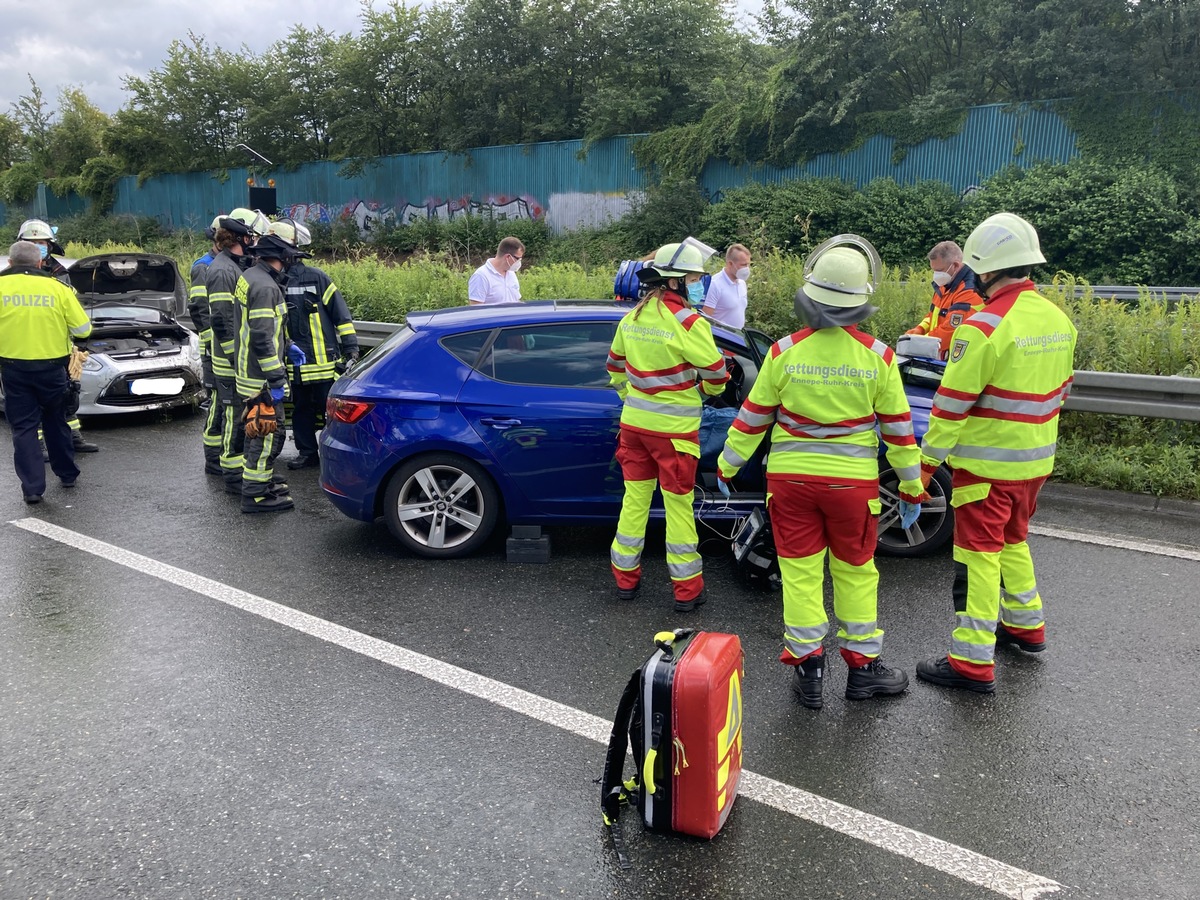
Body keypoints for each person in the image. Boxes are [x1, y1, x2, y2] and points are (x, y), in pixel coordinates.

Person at [717, 236, 922, 710]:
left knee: (800, 574)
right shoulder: (880, 357)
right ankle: (863, 671)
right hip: (852, 487)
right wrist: (911, 485)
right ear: (860, 300)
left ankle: (809, 672)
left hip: (791, 485)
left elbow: (752, 418)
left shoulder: (784, 352)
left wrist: (727, 464)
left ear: (810, 294)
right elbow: (898, 432)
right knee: (856, 574)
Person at [915, 213, 1077, 694]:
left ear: (984, 270)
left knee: (976, 557)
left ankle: (970, 660)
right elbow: (1062, 391)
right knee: (1014, 542)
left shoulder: (983, 326)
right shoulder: (1058, 319)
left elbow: (950, 406)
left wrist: (923, 467)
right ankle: (1027, 628)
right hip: (1034, 463)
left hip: (985, 467)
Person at [606, 239, 730, 612]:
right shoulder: (688, 322)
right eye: (695, 277)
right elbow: (718, 374)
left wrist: (634, 399)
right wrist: (703, 391)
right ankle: (687, 591)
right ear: (676, 282)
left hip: (634, 429)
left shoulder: (633, 317)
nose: (699, 283)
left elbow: (614, 370)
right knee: (678, 509)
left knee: (634, 503)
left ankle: (625, 582)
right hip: (674, 435)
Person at [0, 241, 92, 503]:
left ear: (10, 263)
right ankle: (67, 474)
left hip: (13, 368)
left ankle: (32, 489)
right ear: (39, 263)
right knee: (55, 420)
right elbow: (83, 330)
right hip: (52, 368)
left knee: (24, 428)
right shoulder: (58, 288)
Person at [267, 218, 360, 470]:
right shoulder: (273, 281)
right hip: (295, 364)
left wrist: (350, 349)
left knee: (331, 413)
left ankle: (339, 456)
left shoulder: (318, 278)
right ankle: (307, 453)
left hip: (323, 364)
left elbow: (342, 316)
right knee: (301, 411)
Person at [18, 218, 99, 454]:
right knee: (35, 402)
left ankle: (73, 436)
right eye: (31, 243)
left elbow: (71, 309)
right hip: (26, 347)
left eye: (41, 243)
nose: (37, 247)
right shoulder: (14, 276)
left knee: (66, 395)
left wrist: (77, 344)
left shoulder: (60, 273)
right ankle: (40, 444)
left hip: (58, 347)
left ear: (50, 246)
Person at [234, 233, 299, 513]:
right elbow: (261, 336)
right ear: (281, 257)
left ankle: (261, 484)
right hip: (260, 377)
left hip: (249, 371)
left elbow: (270, 329)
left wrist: (289, 346)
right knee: (268, 433)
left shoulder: (252, 276)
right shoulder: (265, 287)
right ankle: (256, 495)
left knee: (256, 433)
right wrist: (275, 378)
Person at [206, 208, 269, 494]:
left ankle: (237, 469)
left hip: (235, 359)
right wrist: (235, 357)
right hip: (228, 360)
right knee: (233, 416)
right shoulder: (222, 270)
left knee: (236, 413)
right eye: (252, 237)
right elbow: (220, 319)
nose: (255, 242)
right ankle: (233, 475)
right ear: (241, 238)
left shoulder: (233, 265)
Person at [905, 241, 985, 360]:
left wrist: (919, 344)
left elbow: (949, 331)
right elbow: (933, 315)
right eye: (934, 271)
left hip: (959, 359)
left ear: (956, 266)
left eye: (939, 270)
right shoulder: (945, 284)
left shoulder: (969, 291)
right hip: (940, 355)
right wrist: (920, 329)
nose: (936, 275)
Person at [190, 216, 222, 475]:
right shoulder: (203, 267)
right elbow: (201, 309)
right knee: (217, 404)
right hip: (214, 348)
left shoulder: (232, 263)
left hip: (226, 348)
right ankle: (213, 460)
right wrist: (214, 343)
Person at [701, 243, 751, 328]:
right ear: (730, 264)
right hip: (721, 338)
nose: (747, 268)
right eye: (743, 265)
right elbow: (705, 319)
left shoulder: (742, 283)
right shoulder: (715, 285)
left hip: (737, 337)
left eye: (748, 264)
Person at [467, 237, 523, 305]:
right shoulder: (481, 276)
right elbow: (476, 309)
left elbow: (516, 299)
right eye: (518, 259)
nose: (519, 262)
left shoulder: (511, 273)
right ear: (508, 257)